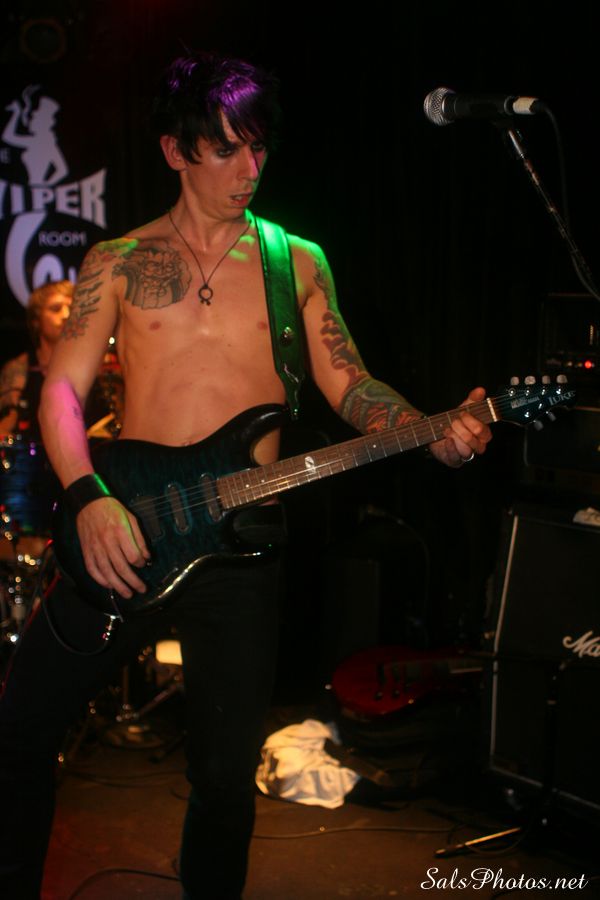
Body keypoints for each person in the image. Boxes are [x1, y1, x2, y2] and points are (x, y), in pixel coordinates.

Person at [0, 52, 492, 899]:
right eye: (226, 149)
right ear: (174, 150)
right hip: (129, 528)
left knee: (225, 780)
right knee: (19, 728)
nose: (249, 169)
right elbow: (62, 396)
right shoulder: (119, 260)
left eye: (259, 147)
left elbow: (349, 382)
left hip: (241, 546)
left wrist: (427, 431)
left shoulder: (295, 260)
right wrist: (87, 498)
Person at [0, 280, 73, 439]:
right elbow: (6, 423)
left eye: (72, 309)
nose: (66, 315)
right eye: (56, 309)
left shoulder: (96, 365)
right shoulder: (20, 367)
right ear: (36, 321)